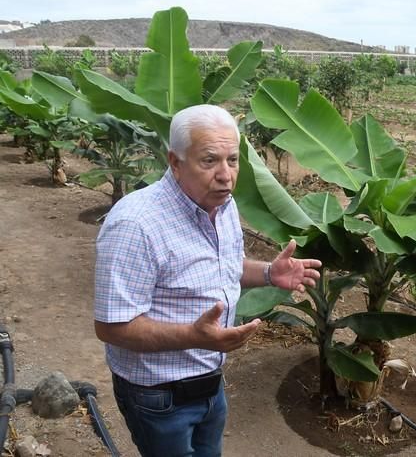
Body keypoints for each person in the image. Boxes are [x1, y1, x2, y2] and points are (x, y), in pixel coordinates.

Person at [93, 104, 322, 457]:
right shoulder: (136, 225)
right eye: (210, 160)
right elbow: (112, 327)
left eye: (233, 160)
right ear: (175, 161)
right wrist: (193, 337)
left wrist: (267, 273)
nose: (226, 175)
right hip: (159, 395)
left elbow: (220, 267)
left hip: (211, 384)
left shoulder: (223, 204)